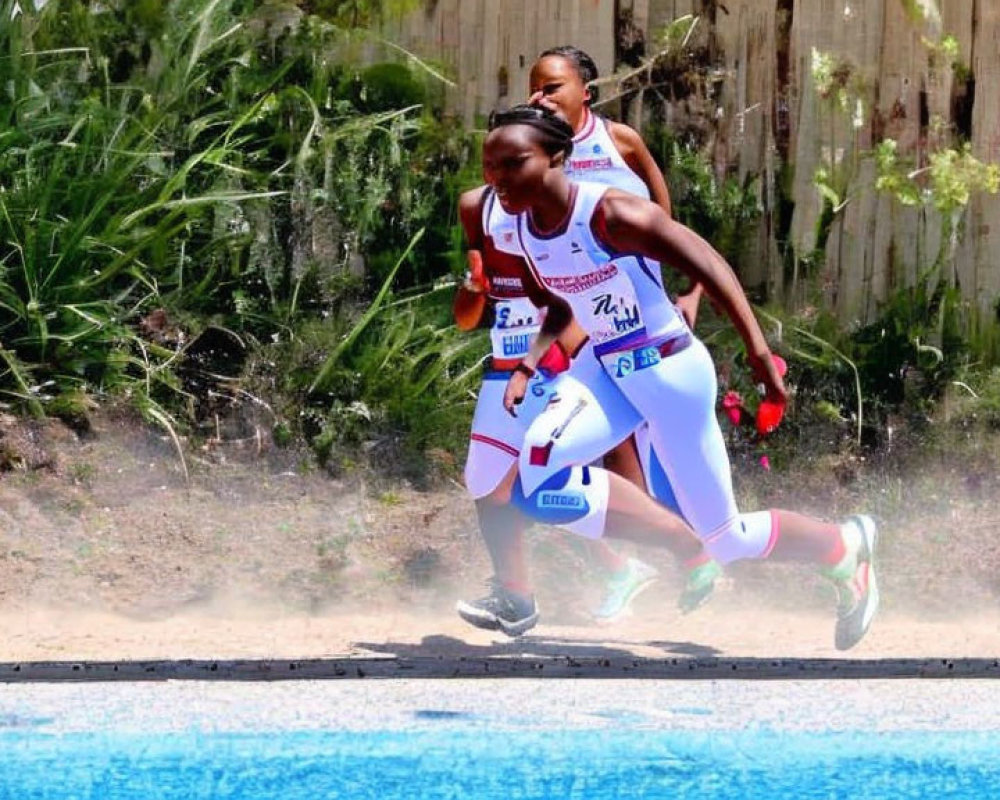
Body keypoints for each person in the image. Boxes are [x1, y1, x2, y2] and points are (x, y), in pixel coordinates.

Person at [484, 105, 879, 651]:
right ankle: (669, 547)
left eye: (513, 163)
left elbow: (709, 263)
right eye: (490, 167)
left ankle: (842, 548)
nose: (498, 179)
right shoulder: (521, 229)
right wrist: (532, 362)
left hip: (669, 373)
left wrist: (760, 354)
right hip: (606, 370)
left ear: (556, 156)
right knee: (535, 472)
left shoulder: (613, 215)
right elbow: (562, 303)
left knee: (729, 539)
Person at [455, 46, 714, 635]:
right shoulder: (487, 205)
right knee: (495, 482)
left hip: (605, 337)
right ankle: (556, 584)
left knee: (581, 466)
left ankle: (681, 546)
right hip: (521, 349)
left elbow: (662, 229)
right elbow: (484, 297)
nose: (540, 96)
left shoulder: (613, 154)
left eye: (552, 87)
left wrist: (686, 293)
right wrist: (478, 293)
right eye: (494, 163)